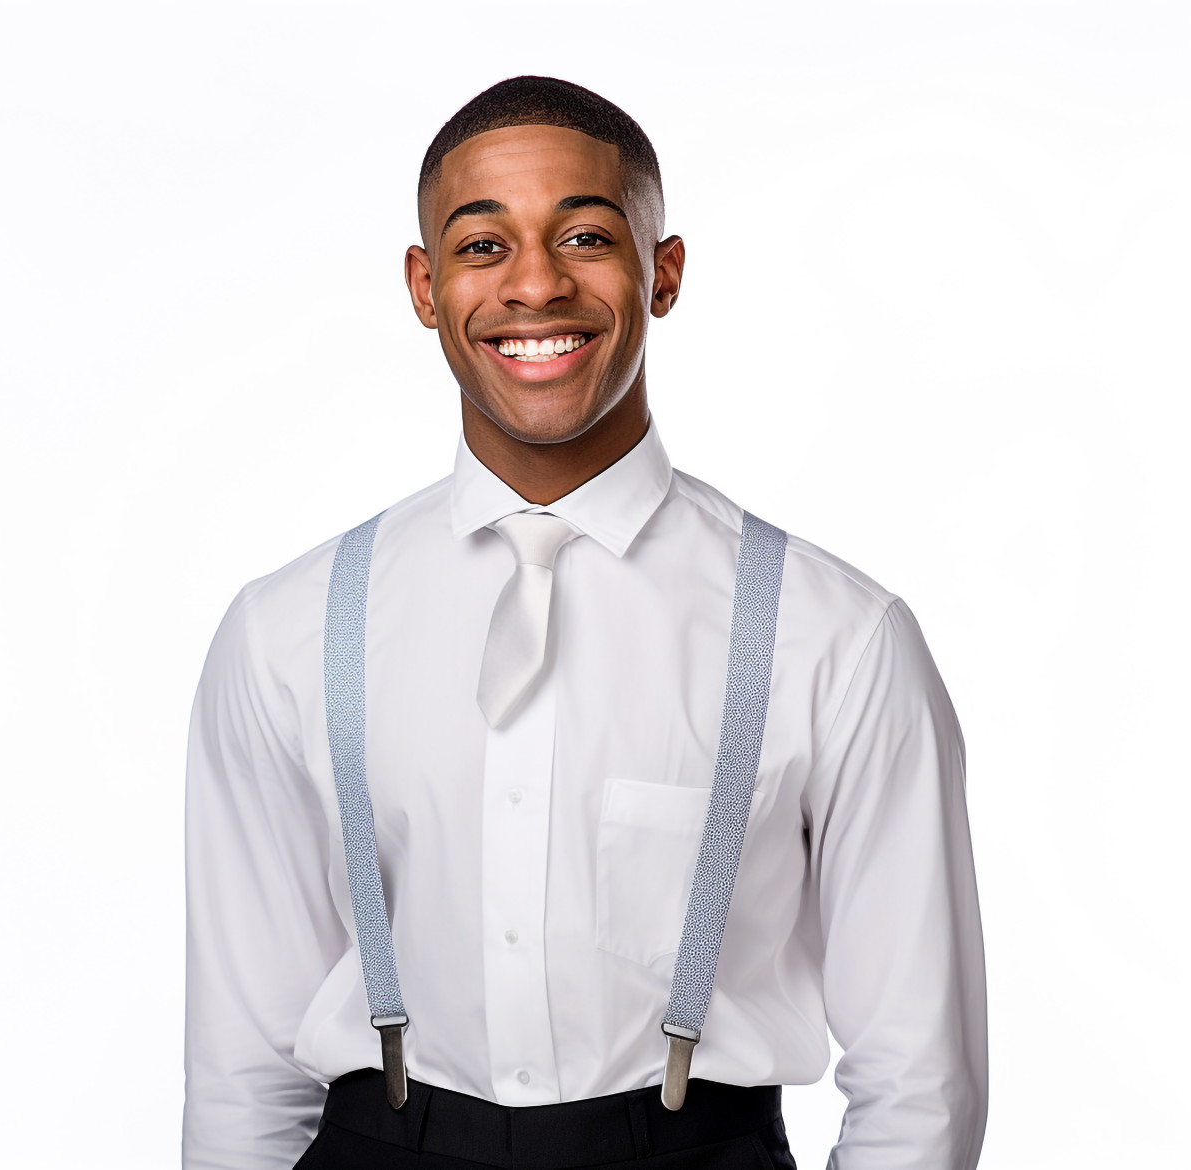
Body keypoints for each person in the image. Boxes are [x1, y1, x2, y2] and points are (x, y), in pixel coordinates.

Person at [182, 75, 988, 1170]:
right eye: (480, 246)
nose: (533, 285)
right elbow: (244, 1069)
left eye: (585, 236)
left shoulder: (833, 636)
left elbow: (918, 1080)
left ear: (662, 274)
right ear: (425, 287)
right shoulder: (285, 631)